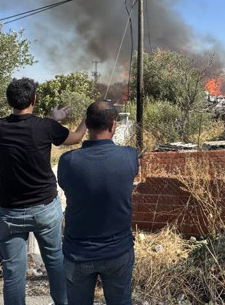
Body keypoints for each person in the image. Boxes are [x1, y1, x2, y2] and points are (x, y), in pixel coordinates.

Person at [0, 77, 87, 305]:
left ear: (8, 101)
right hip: (44, 209)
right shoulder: (45, 127)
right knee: (55, 260)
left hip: (9, 212)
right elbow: (75, 138)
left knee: (13, 272)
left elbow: (31, 129)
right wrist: (86, 120)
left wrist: (52, 120)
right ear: (34, 99)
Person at [58, 100, 139, 305]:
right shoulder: (129, 156)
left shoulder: (68, 161)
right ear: (113, 125)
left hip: (78, 253)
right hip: (118, 252)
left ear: (86, 123)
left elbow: (67, 186)